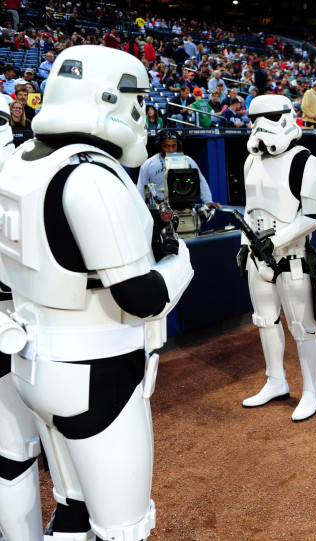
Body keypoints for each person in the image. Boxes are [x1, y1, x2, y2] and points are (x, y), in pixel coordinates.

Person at [0, 44, 194, 541]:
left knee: (72, 508)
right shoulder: (90, 173)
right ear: (111, 98)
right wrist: (181, 264)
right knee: (122, 528)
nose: (143, 114)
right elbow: (143, 296)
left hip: (36, 366)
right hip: (97, 369)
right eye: (138, 101)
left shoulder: (19, 160)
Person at [238, 95, 316, 422]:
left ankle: (312, 390)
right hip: (256, 257)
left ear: (288, 117)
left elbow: (313, 217)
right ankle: (275, 380)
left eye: (270, 117)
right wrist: (245, 244)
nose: (260, 126)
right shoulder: (250, 162)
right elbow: (249, 208)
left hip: (292, 257)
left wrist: (275, 241)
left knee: (302, 327)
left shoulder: (307, 163)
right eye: (254, 119)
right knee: (264, 322)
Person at [0, 97, 45, 541]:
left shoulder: (23, 175)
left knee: (16, 453)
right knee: (14, 453)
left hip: (20, 323)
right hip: (15, 325)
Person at [136, 129, 221, 209]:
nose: (170, 150)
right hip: (160, 211)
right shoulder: (148, 165)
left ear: (178, 145)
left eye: (174, 146)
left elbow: (201, 182)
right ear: (159, 146)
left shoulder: (187, 161)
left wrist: (208, 201)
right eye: (166, 146)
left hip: (185, 208)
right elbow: (141, 189)